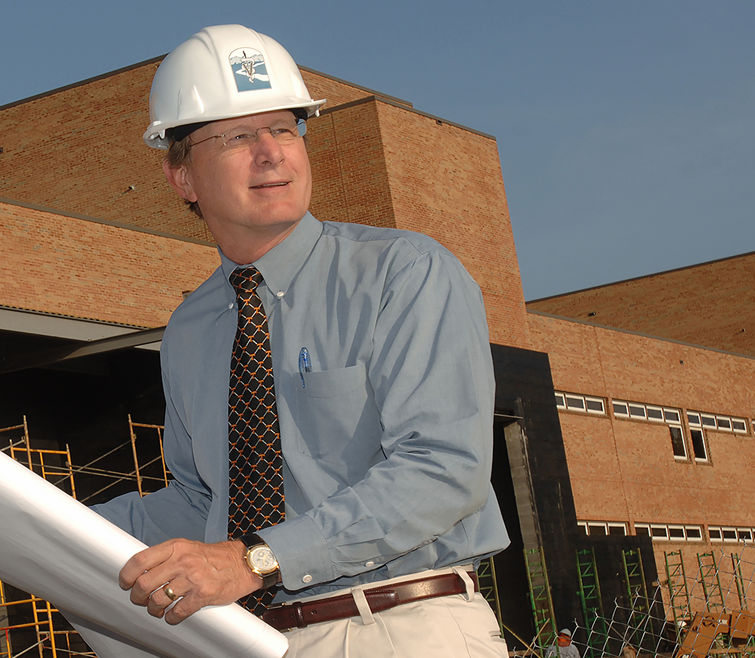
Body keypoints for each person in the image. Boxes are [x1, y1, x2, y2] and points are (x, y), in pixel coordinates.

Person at [82, 24, 511, 658]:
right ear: (182, 176)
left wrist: (255, 560)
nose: (271, 153)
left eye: (284, 129)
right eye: (236, 137)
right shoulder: (190, 329)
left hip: (400, 626)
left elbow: (444, 469)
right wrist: (36, 523)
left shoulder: (404, 273)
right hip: (254, 639)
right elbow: (205, 503)